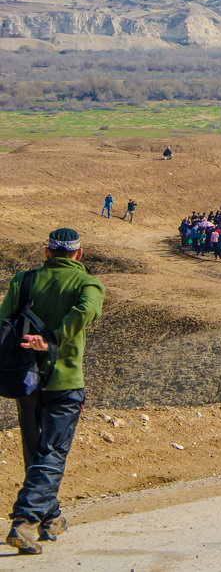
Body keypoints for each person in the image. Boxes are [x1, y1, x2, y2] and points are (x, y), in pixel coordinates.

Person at [2, 228, 104, 555]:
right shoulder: (88, 284)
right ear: (80, 253)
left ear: (47, 252)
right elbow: (86, 311)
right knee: (53, 452)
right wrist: (55, 340)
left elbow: (3, 324)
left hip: (26, 380)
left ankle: (51, 516)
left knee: (35, 452)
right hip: (65, 382)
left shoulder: (24, 281)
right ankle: (25, 522)